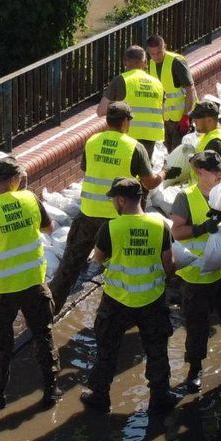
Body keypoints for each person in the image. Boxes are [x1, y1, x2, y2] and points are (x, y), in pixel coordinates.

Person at [49, 101, 164, 313]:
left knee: (69, 267)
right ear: (125, 121)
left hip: (88, 215)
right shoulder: (134, 147)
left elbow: (87, 168)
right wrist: (165, 173)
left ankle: (47, 312)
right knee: (122, 268)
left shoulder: (92, 141)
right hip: (117, 221)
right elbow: (148, 183)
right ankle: (118, 312)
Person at [80, 178, 179, 414]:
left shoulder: (111, 228)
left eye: (114, 199)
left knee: (107, 349)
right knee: (156, 349)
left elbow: (98, 259)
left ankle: (100, 396)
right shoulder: (160, 226)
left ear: (122, 200)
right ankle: (160, 397)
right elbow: (169, 265)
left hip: (117, 300)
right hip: (151, 300)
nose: (113, 202)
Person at [0, 157, 61, 410]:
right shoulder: (30, 199)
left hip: (1, 290)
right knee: (43, 335)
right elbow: (50, 228)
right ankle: (52, 390)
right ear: (13, 179)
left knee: (0, 345)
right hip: (33, 283)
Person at [169, 151, 221, 392]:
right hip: (198, 276)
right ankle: (195, 369)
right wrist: (202, 228)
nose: (220, 174)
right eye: (215, 171)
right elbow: (176, 232)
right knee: (196, 325)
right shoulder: (186, 197)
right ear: (199, 172)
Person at [97, 45, 165, 157]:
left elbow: (101, 111)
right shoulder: (157, 83)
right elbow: (163, 112)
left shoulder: (121, 80)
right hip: (152, 138)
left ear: (125, 61)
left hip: (127, 137)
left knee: (126, 172)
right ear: (145, 62)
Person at [146, 34, 196, 151]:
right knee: (170, 152)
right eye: (152, 54)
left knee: (180, 153)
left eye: (159, 52)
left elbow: (190, 89)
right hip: (165, 118)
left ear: (164, 47)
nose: (156, 56)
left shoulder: (176, 62)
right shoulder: (151, 64)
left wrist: (186, 115)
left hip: (180, 118)